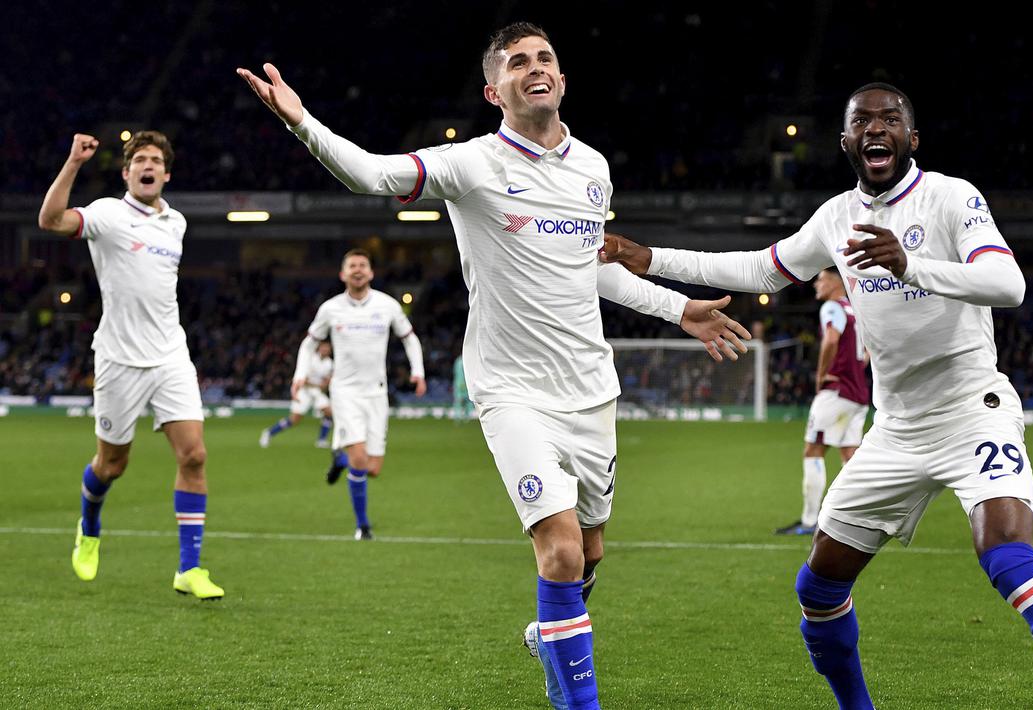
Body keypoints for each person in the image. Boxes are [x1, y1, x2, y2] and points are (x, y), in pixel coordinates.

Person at [238, 22, 749, 710]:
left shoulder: (593, 169)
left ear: (561, 79)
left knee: (589, 554)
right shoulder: (470, 164)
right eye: (517, 62)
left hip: (590, 389)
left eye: (544, 58)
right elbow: (371, 173)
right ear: (494, 91)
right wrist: (301, 123)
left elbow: (590, 269)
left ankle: (549, 632)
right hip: (510, 392)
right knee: (560, 552)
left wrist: (677, 308)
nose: (534, 67)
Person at [601, 84, 1033, 709]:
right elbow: (759, 270)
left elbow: (1008, 284)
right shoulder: (835, 217)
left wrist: (910, 265)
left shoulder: (951, 197)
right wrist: (650, 258)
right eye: (862, 121)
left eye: (890, 119)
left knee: (1007, 557)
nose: (876, 127)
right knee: (818, 588)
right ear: (845, 141)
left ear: (911, 138)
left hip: (972, 409)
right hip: (895, 429)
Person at [37, 131, 224, 600]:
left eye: (155, 160)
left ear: (166, 173)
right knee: (112, 464)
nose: (147, 165)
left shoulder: (177, 223)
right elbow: (51, 220)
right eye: (139, 159)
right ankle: (89, 525)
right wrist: (74, 163)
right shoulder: (107, 214)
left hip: (170, 355)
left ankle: (189, 568)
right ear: (126, 173)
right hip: (119, 359)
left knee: (194, 455)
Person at [296, 249, 427, 540]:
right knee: (359, 458)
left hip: (376, 394)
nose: (357, 269)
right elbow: (309, 344)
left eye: (363, 265)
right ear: (343, 274)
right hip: (344, 392)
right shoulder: (330, 309)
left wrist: (418, 371)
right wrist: (299, 375)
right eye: (352, 265)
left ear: (371, 272)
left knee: (372, 468)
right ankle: (362, 526)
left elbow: (410, 339)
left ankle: (339, 461)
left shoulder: (387, 305)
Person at [775, 268, 869, 536]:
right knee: (850, 456)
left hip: (836, 393)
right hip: (858, 393)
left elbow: (830, 340)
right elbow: (868, 351)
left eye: (821, 279)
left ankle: (809, 521)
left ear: (835, 282)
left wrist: (821, 375)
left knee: (813, 450)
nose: (816, 284)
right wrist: (854, 369)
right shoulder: (856, 311)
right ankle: (859, 520)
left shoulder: (832, 307)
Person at [260, 339, 334, 449]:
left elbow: (328, 379)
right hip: (304, 391)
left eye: (328, 348)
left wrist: (326, 384)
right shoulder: (310, 359)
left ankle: (321, 440)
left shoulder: (329, 363)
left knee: (329, 412)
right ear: (319, 347)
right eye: (324, 347)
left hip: (316, 392)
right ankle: (269, 432)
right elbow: (303, 379)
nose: (326, 349)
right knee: (294, 420)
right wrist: (319, 385)